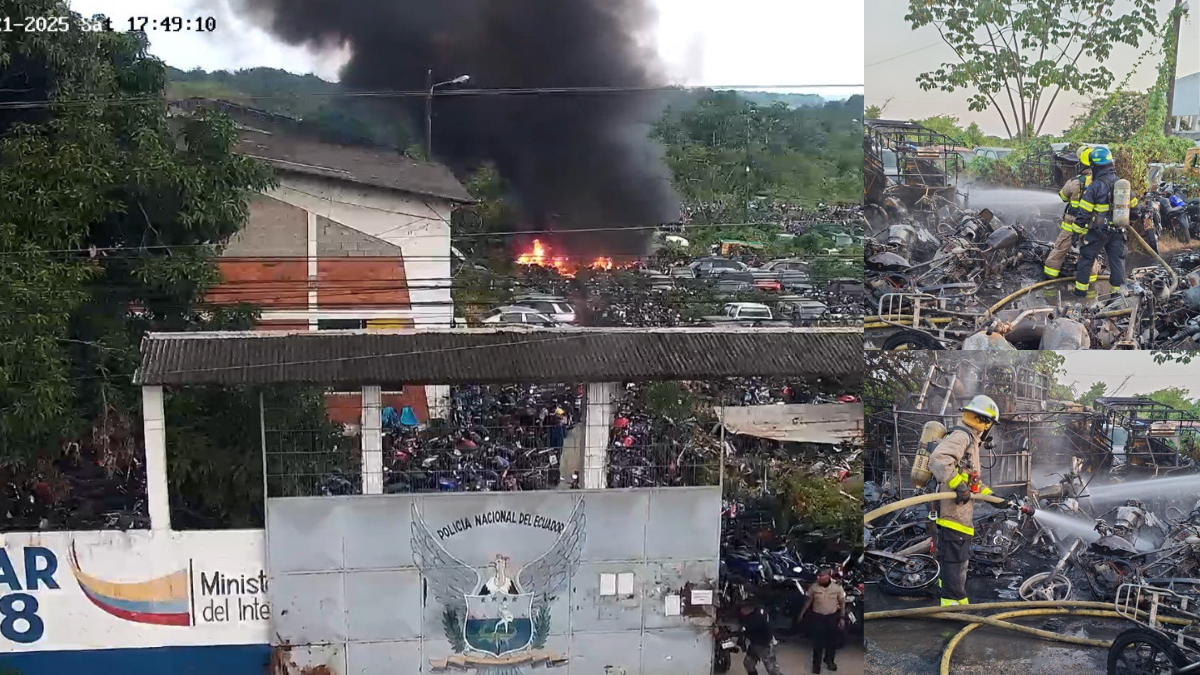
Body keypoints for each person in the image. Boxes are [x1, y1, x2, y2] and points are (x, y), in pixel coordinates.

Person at [928, 395, 1013, 606]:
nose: (989, 429)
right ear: (983, 421)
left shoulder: (971, 442)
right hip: (953, 516)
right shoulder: (962, 437)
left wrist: (995, 499)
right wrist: (958, 485)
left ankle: (949, 601)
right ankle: (954, 610)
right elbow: (938, 460)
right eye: (990, 424)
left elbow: (973, 483)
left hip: (959, 516)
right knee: (955, 564)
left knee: (956, 564)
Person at [1043, 146, 1100, 283]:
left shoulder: (1074, 182)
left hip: (1072, 224)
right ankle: (1091, 278)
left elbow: (1062, 197)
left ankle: (1050, 276)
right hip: (1091, 225)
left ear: (1082, 163)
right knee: (1089, 253)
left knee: (1060, 249)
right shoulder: (1100, 183)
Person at [1074, 146, 1125, 297]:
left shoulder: (1095, 186)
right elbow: (1135, 210)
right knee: (1117, 260)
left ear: (1095, 166)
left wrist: (1075, 234)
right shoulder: (1122, 184)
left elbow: (1083, 213)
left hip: (1098, 231)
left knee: (1087, 258)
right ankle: (1117, 295)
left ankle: (1080, 292)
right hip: (1118, 232)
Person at [801, 567, 847, 673]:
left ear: (827, 576)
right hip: (818, 618)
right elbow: (808, 601)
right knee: (818, 643)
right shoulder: (814, 587)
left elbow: (842, 604)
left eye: (821, 576)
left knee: (831, 642)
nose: (818, 578)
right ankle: (816, 664)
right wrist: (802, 614)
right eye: (818, 576)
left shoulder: (837, 587)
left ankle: (829, 661)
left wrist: (842, 618)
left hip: (832, 617)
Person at [738, 601, 783, 675]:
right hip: (755, 644)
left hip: (765, 645)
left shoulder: (757, 617)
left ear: (750, 608)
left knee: (772, 670)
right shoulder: (747, 616)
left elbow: (747, 628)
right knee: (748, 663)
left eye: (743, 608)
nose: (741, 610)